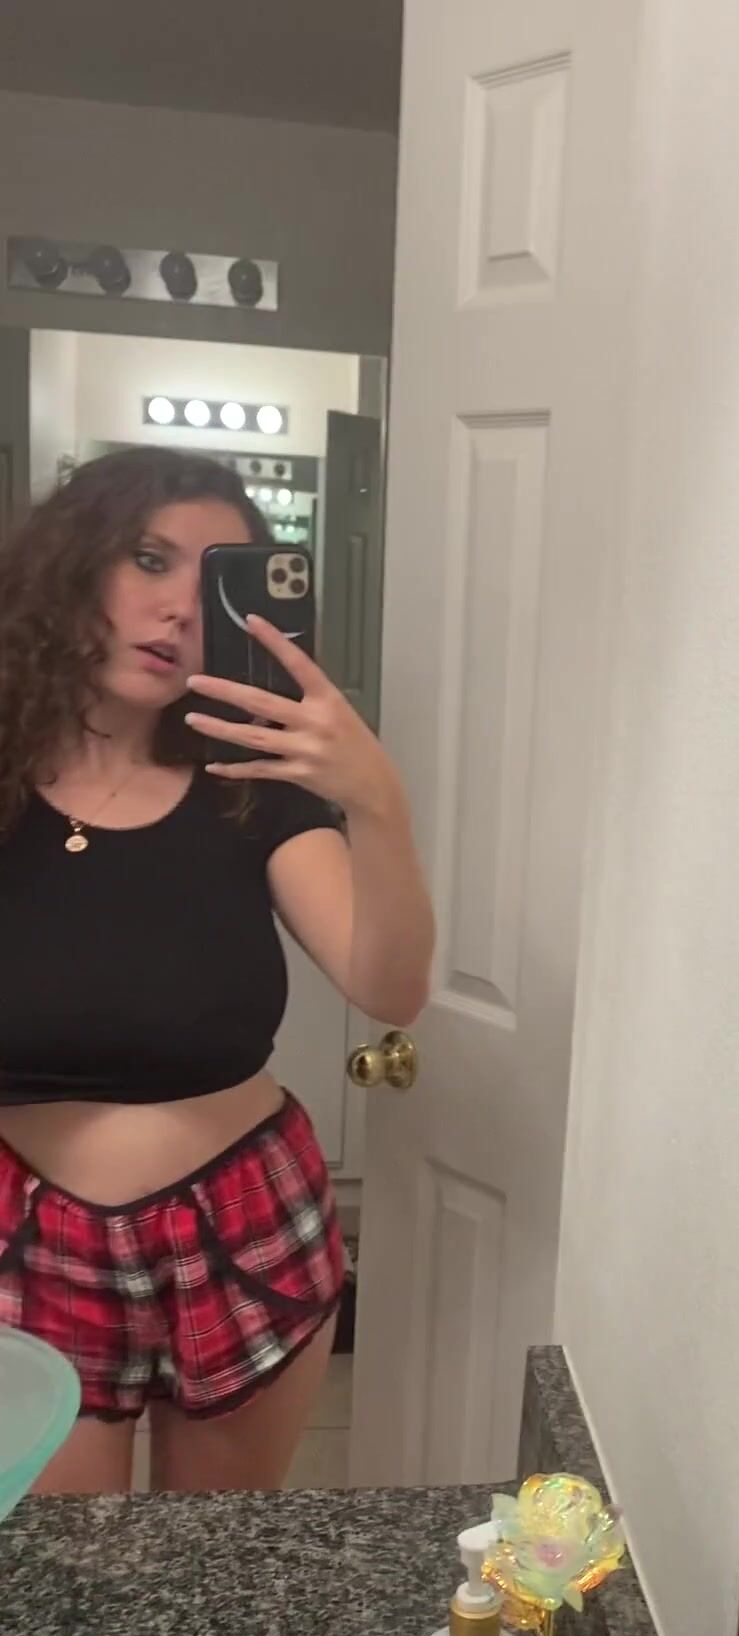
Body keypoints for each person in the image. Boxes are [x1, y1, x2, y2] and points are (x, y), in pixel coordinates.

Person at [0, 446, 434, 1494]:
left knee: (223, 1561)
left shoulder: (254, 787)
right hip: (29, 1236)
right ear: (74, 563)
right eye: (150, 560)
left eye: (216, 583)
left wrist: (376, 799)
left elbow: (388, 986)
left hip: (245, 1224)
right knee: (70, 1572)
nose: (179, 609)